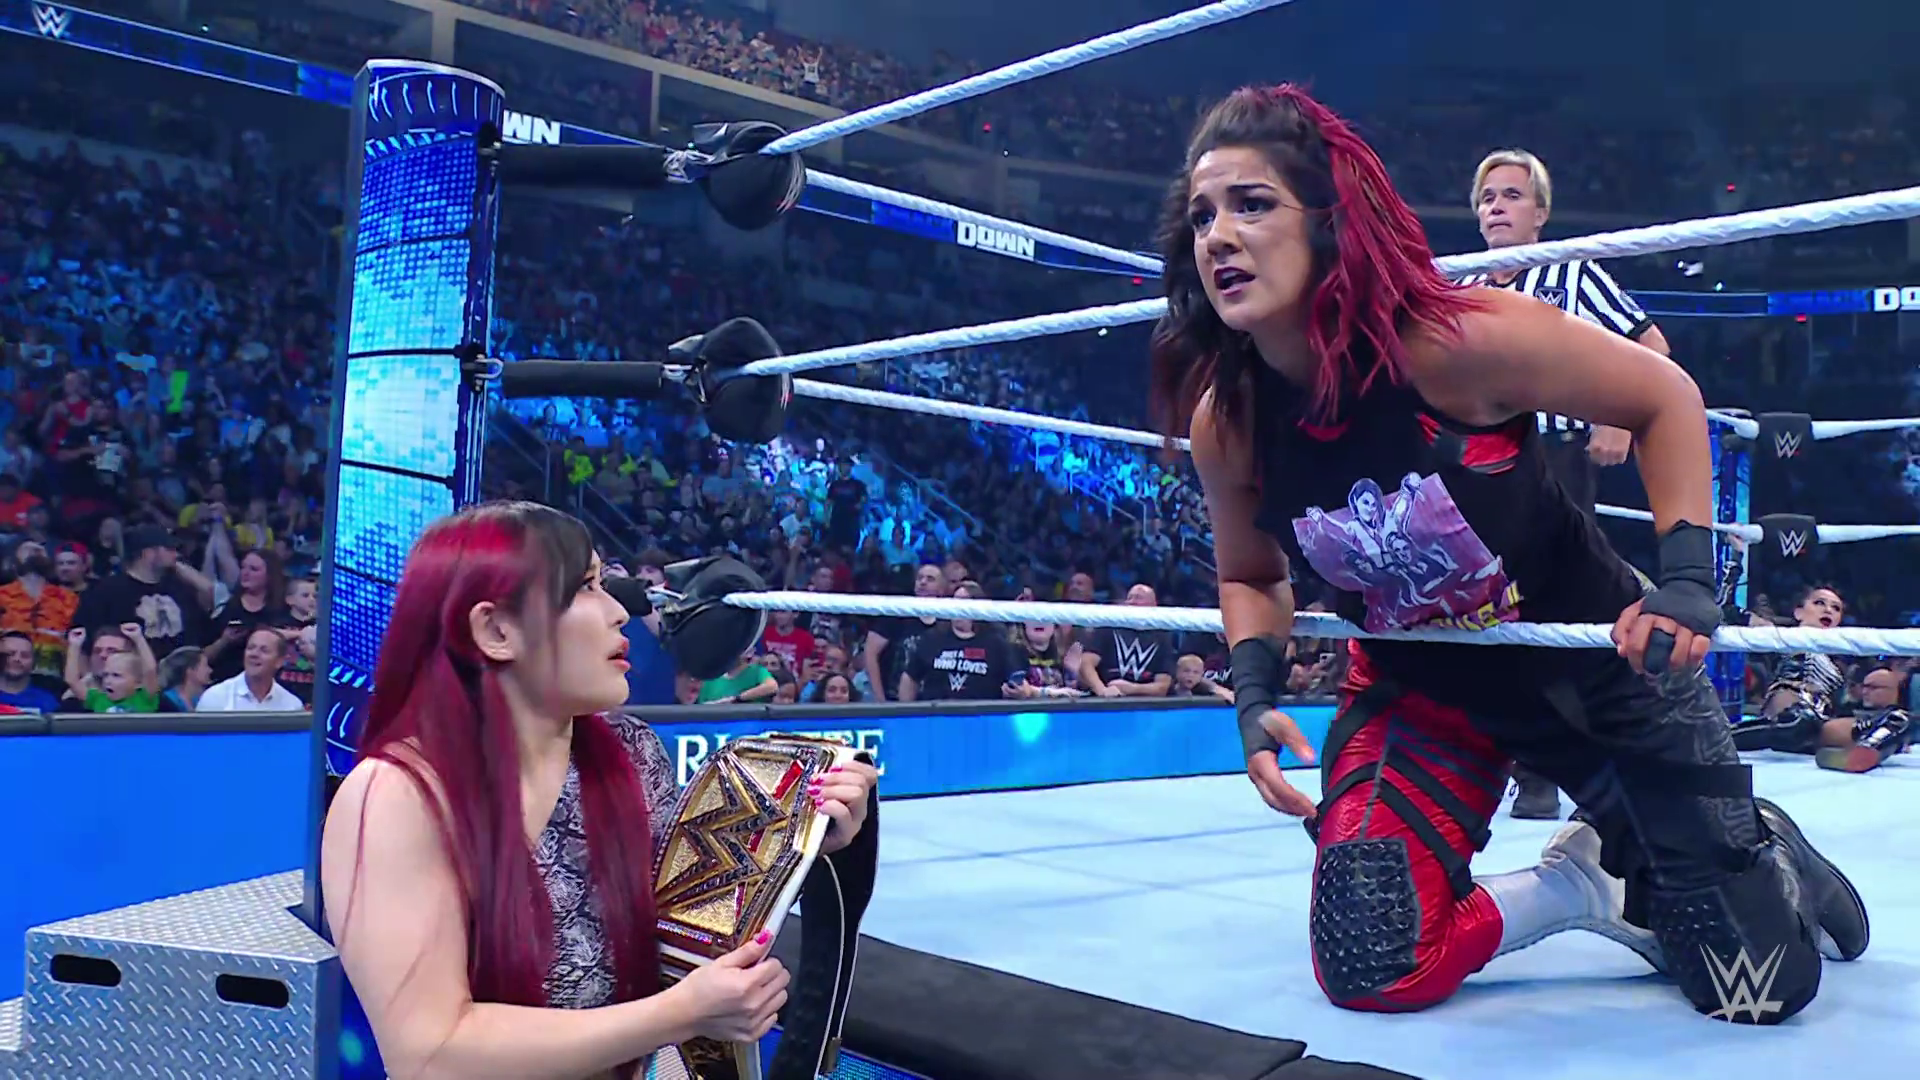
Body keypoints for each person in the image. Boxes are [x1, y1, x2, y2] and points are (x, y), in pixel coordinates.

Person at [1148, 84, 1866, 1024]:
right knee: (1372, 963)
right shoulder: (1230, 418)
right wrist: (1252, 699)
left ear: (1330, 221)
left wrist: (1689, 581)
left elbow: (1663, 395)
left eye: (1251, 204)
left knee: (1755, 990)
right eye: (1202, 216)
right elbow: (1250, 573)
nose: (1218, 237)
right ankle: (1577, 885)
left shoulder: (1454, 341)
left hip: (1593, 668)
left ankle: (1767, 845)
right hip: (1418, 685)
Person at [320, 501, 876, 1079]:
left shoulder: (630, 751)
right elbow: (431, 1055)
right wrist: (681, 1013)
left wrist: (804, 838)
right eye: (586, 587)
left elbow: (688, 909)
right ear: (497, 630)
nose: (619, 612)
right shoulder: (396, 799)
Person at [1461, 148, 1676, 821]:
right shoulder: (1462, 285)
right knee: (1480, 605)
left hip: (1552, 457)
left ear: (1541, 213)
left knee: (1553, 602)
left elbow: (1652, 348)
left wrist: (1618, 416)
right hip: (1475, 460)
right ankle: (1498, 759)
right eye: (1487, 197)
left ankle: (1564, 764)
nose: (1497, 206)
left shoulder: (1572, 271)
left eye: (1511, 195)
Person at [1726, 584, 1847, 755]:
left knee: (1877, 725)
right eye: (1819, 603)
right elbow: (1733, 613)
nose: (1828, 610)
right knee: (1797, 722)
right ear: (1799, 613)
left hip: (1819, 722)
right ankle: (1722, 738)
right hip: (1788, 706)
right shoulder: (1785, 638)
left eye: (1836, 608)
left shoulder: (1838, 665)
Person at [1817, 665, 1912, 773]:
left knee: (1898, 719)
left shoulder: (1899, 718)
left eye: (1873, 687)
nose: (1865, 692)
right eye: (1865, 687)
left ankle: (1866, 748)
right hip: (1810, 733)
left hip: (1829, 743)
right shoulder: (1848, 708)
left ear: (1894, 690)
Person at [196, 627, 304, 712]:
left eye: (264, 650)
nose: (254, 654)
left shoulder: (292, 706)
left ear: (279, 661)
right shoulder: (215, 697)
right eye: (250, 648)